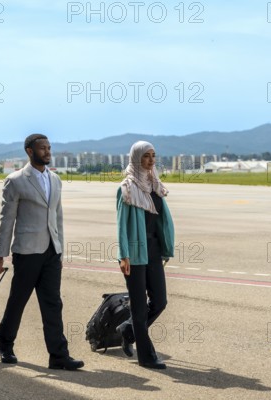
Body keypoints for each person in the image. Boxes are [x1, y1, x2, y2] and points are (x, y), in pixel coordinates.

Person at [0, 133, 84, 371]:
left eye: (49, 147)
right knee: (18, 301)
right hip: (27, 252)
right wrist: (0, 256)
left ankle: (58, 355)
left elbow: (58, 218)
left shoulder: (56, 179)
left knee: (53, 303)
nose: (47, 151)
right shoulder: (16, 181)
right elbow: (7, 221)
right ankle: (5, 344)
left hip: (52, 252)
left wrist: (60, 250)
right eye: (42, 148)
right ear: (30, 151)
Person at [116, 141, 175, 369]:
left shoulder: (154, 185)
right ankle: (147, 357)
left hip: (154, 250)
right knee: (139, 307)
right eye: (146, 156)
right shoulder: (127, 187)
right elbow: (121, 225)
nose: (151, 160)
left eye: (153, 156)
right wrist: (123, 255)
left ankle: (128, 329)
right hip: (134, 253)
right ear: (136, 159)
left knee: (160, 301)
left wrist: (165, 246)